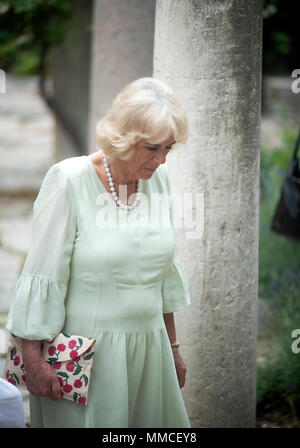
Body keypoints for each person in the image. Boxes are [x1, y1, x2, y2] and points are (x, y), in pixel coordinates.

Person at [5, 77, 192, 428]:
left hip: (149, 354)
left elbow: (163, 275)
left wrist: (173, 347)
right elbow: (42, 273)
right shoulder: (69, 179)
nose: (162, 160)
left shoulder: (158, 182)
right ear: (124, 138)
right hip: (85, 360)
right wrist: (34, 362)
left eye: (169, 148)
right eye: (153, 148)